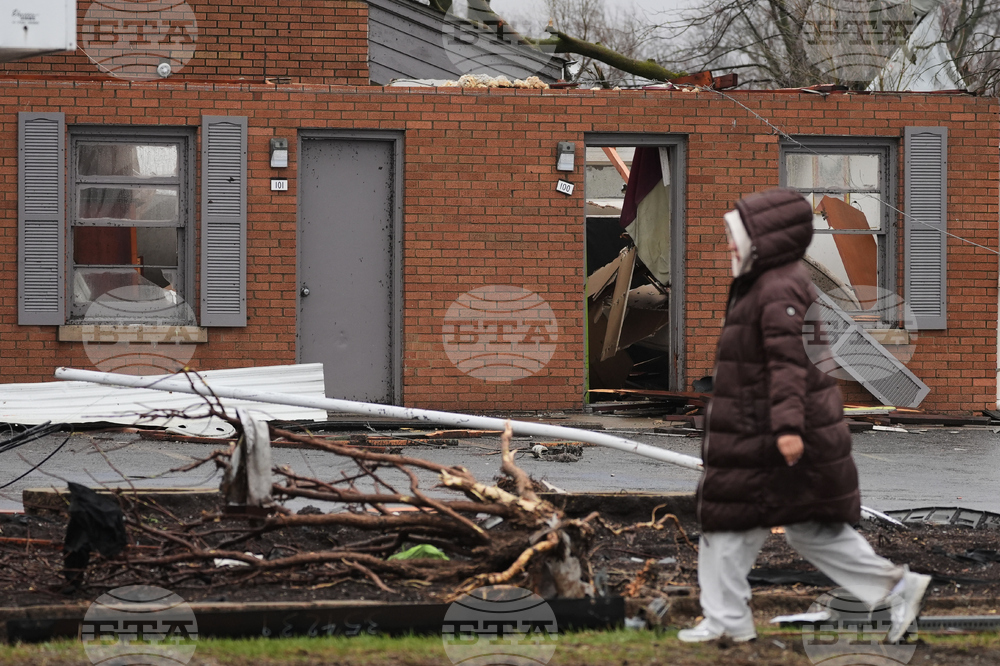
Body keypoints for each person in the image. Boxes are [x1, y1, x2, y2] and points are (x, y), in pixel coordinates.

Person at [678, 187, 930, 644]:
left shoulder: (776, 288)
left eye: (737, 236)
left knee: (735, 526)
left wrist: (789, 428)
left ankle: (728, 621)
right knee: (797, 529)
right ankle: (894, 588)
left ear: (765, 238)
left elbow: (789, 361)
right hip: (768, 431)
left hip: (772, 434)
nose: (730, 245)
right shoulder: (769, 284)